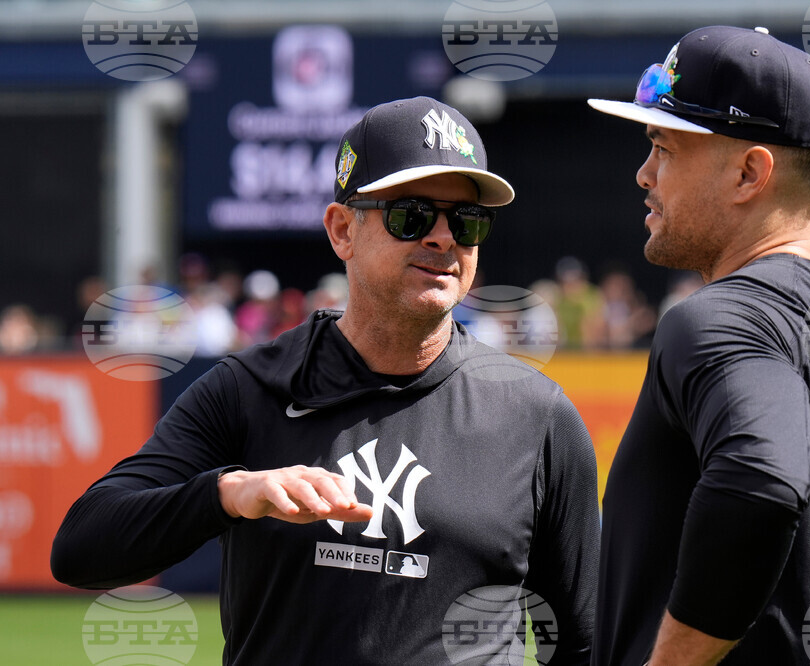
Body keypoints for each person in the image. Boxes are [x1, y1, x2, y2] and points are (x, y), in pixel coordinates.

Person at [52, 96, 600, 665]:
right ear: (343, 231)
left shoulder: (538, 416)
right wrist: (229, 494)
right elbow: (82, 548)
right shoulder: (248, 389)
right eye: (409, 214)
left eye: (467, 220)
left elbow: (586, 639)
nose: (443, 239)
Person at [587, 27, 810, 665]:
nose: (644, 173)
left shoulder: (718, 319)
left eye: (663, 146)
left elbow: (764, 480)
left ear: (751, 172)